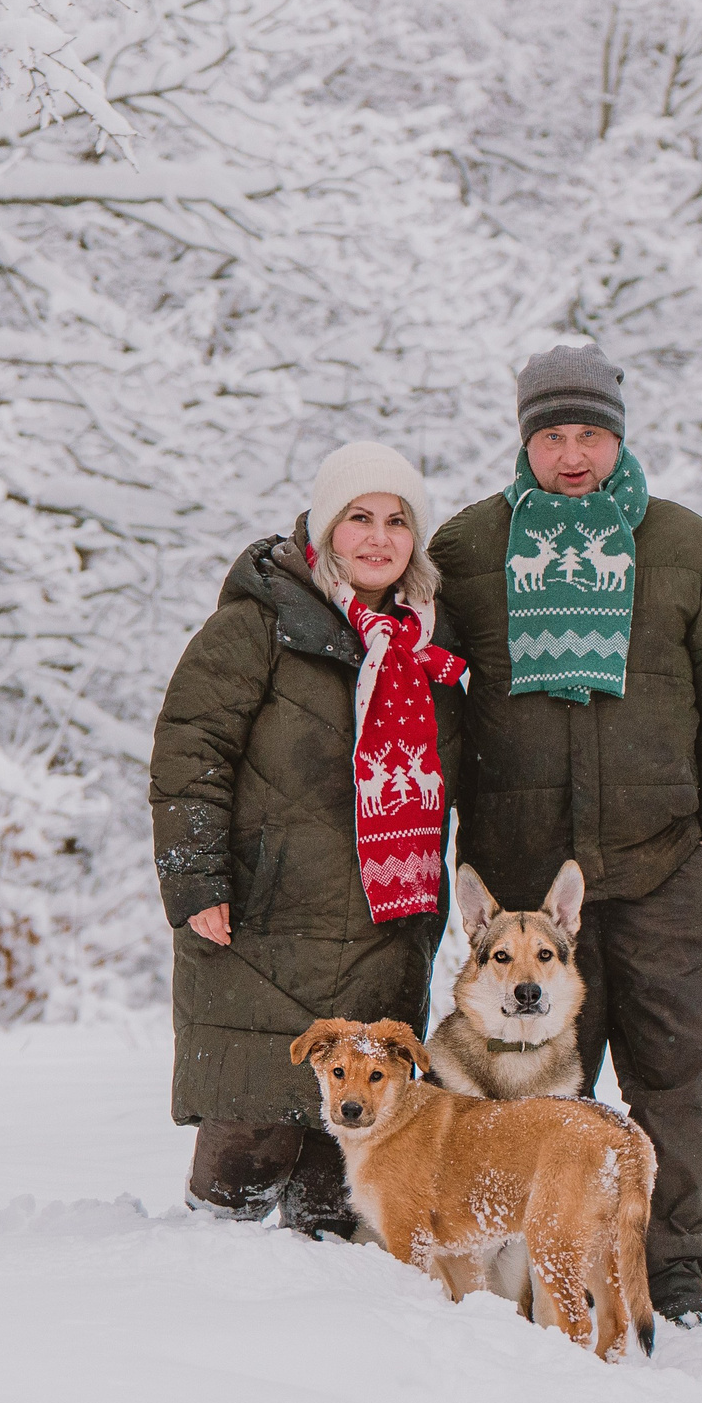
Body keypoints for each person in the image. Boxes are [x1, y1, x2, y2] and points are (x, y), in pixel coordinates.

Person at [430, 343, 702, 1323]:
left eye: (589, 434)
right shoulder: (468, 550)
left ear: (618, 439)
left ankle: (670, 1273)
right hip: (525, 893)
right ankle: (550, 1271)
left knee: (681, 1084)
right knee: (538, 1095)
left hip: (666, 866)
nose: (572, 455)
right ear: (524, 443)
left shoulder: (682, 549)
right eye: (552, 436)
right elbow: (432, 711)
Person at [151, 441, 466, 1235]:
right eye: (358, 517)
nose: (378, 537)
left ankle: (327, 1338)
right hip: (261, 922)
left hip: (382, 928)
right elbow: (191, 753)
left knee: (344, 1171)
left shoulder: (429, 650)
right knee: (248, 1130)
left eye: (398, 521)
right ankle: (191, 1307)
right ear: (325, 531)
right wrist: (197, 880)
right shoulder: (255, 627)